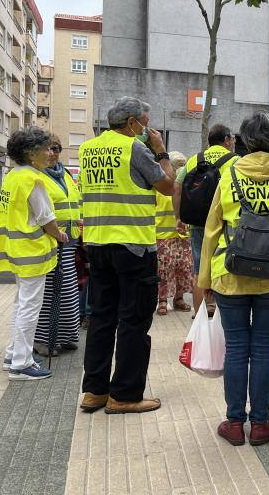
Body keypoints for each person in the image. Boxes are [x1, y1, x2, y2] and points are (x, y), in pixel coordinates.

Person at [197, 112, 269, 446]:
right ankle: (261, 424)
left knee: (236, 348)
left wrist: (204, 277)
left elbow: (211, 229)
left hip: (230, 275)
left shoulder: (229, 175)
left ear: (246, 142)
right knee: (263, 347)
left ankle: (234, 423)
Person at [79, 97, 174, 415]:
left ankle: (95, 391)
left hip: (97, 244)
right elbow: (167, 186)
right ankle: (126, 394)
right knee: (133, 321)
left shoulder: (88, 148)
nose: (147, 128)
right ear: (132, 122)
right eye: (145, 122)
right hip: (133, 246)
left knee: (102, 319)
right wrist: (160, 149)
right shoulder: (134, 147)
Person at [0, 127, 68, 380]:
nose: (50, 153)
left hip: (14, 249)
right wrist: (60, 234)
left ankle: (13, 353)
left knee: (20, 303)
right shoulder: (34, 179)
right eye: (46, 149)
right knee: (30, 307)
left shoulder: (13, 176)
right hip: (32, 250)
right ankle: (21, 364)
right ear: (30, 152)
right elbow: (46, 217)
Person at [173, 125, 238, 317]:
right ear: (226, 140)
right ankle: (220, 312)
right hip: (225, 223)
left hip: (197, 222)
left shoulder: (194, 159)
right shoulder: (235, 161)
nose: (234, 142)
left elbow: (177, 187)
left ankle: (199, 313)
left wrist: (179, 217)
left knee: (199, 268)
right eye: (233, 139)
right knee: (225, 266)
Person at [34, 134, 83, 357]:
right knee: (50, 293)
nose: (53, 153)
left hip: (68, 240)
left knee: (68, 291)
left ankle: (66, 336)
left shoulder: (64, 173)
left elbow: (74, 202)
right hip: (49, 241)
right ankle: (43, 340)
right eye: (49, 148)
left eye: (57, 148)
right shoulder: (36, 175)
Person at [155, 151, 193, 315]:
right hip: (163, 236)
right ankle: (162, 301)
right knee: (163, 270)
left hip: (182, 236)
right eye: (178, 166)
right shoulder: (160, 185)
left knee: (184, 269)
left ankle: (179, 299)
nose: (180, 169)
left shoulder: (186, 186)